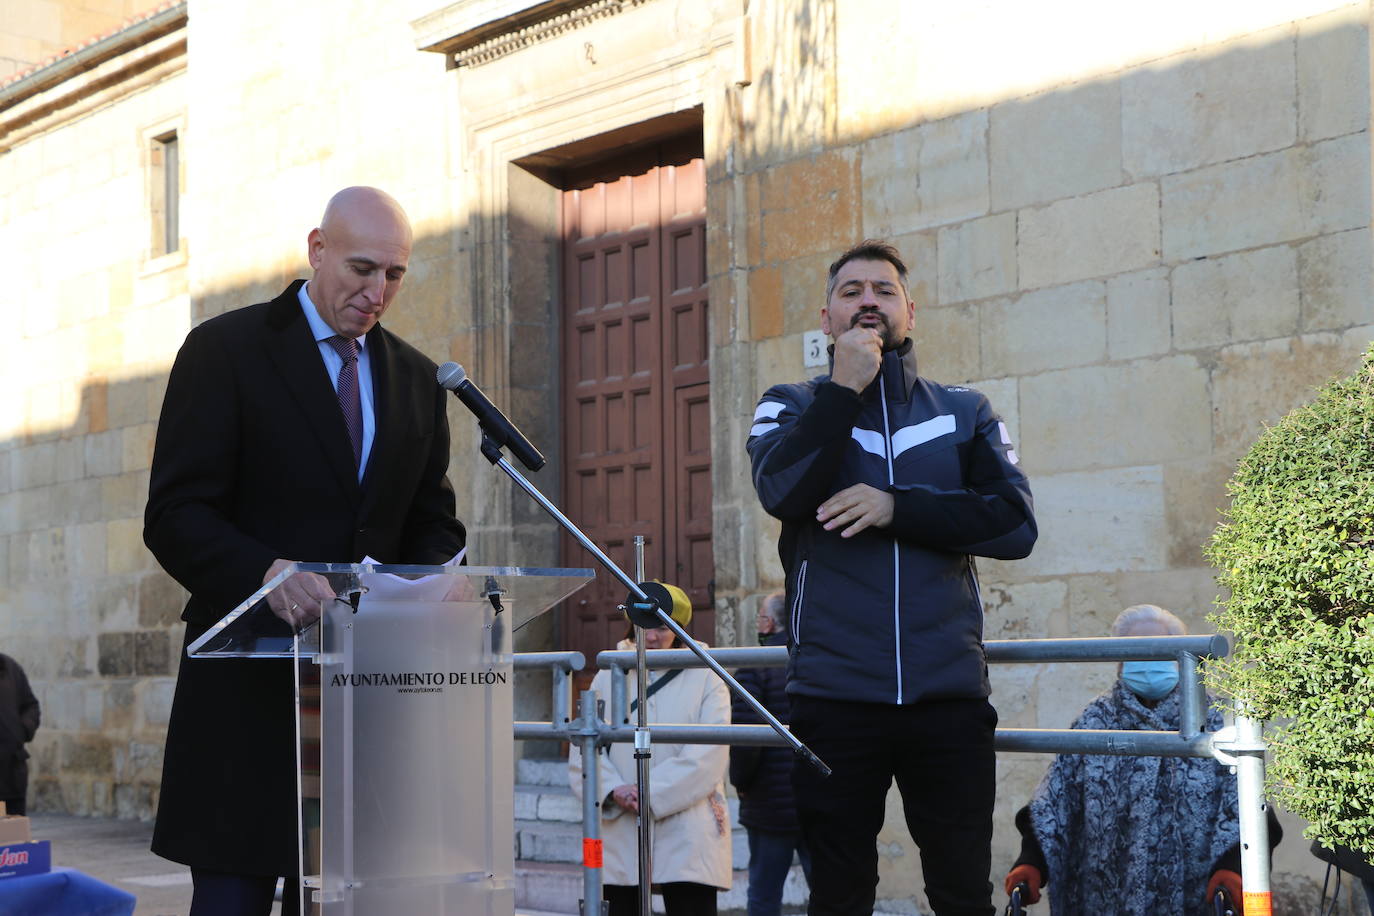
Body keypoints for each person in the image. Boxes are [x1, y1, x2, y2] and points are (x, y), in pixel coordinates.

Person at [144, 187, 466, 916]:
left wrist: (438, 580)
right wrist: (264, 573)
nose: (376, 290)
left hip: (362, 716)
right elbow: (174, 514)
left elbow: (430, 522)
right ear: (316, 249)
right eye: (361, 267)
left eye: (395, 274)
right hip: (245, 714)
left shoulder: (416, 379)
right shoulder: (225, 351)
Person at [747, 239, 1036, 916]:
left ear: (911, 310)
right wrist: (843, 387)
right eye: (851, 292)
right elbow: (781, 489)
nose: (868, 301)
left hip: (949, 699)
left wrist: (896, 507)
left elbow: (1015, 525)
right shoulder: (788, 403)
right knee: (840, 893)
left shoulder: (964, 411)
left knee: (963, 892)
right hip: (834, 698)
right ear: (826, 318)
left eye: (883, 290)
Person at [1004, 604, 1280, 915]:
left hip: (1193, 898)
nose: (1148, 662)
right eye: (1137, 652)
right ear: (1119, 660)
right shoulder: (1095, 721)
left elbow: (1250, 807)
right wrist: (1031, 861)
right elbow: (1054, 802)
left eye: (1158, 650)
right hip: (1105, 899)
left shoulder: (1215, 722)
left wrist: (1232, 868)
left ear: (1178, 657)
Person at [568, 582, 732, 915]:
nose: (652, 637)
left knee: (690, 904)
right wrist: (615, 790)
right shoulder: (609, 671)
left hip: (687, 819)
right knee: (620, 904)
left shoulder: (707, 676)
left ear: (678, 629)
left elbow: (708, 753)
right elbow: (585, 744)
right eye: (645, 627)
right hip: (622, 819)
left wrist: (650, 792)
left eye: (661, 627)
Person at [730, 591, 811, 916]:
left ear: (769, 622)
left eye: (761, 616)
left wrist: (741, 782)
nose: (759, 622)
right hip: (816, 797)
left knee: (764, 895)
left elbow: (746, 739)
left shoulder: (756, 666)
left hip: (769, 803)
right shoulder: (818, 659)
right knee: (830, 892)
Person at [0, 653, 40, 816]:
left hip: (12, 771)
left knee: (13, 834)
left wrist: (22, 729)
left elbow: (31, 706)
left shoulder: (9, 668)